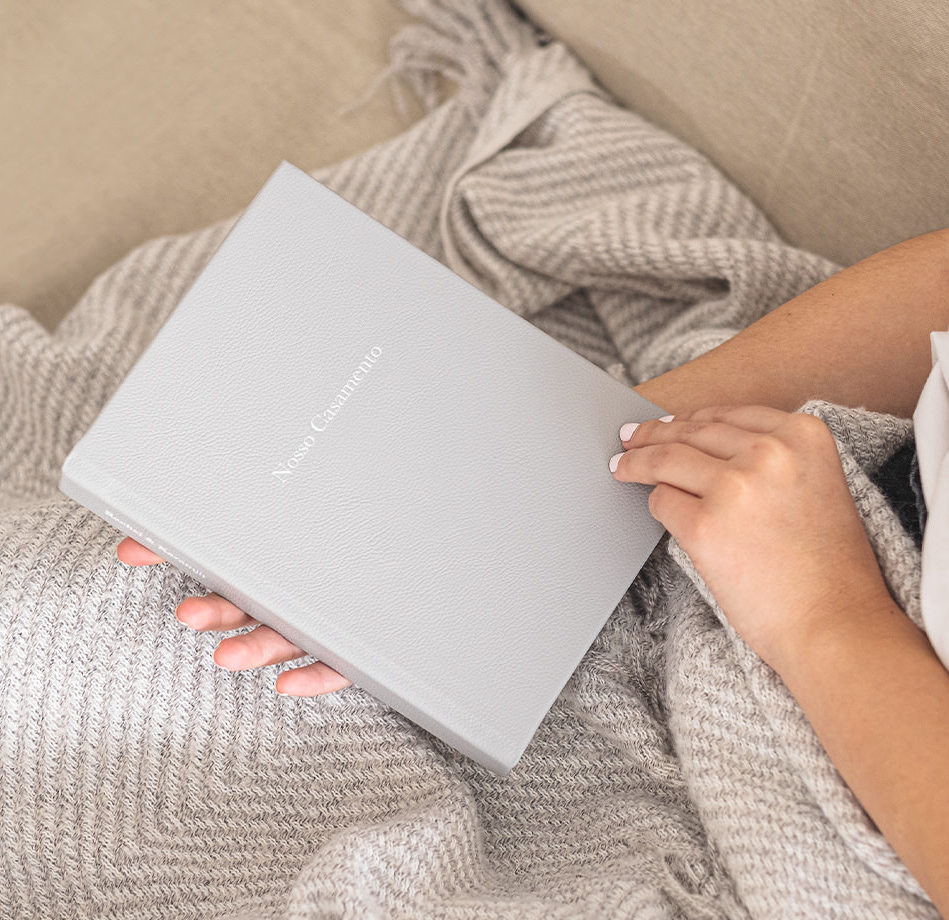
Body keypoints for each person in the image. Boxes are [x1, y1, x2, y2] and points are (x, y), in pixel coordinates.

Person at [117, 229, 949, 913]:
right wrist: (583, 458)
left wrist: (823, 611)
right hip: (746, 505)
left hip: (816, 702)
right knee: (123, 590)